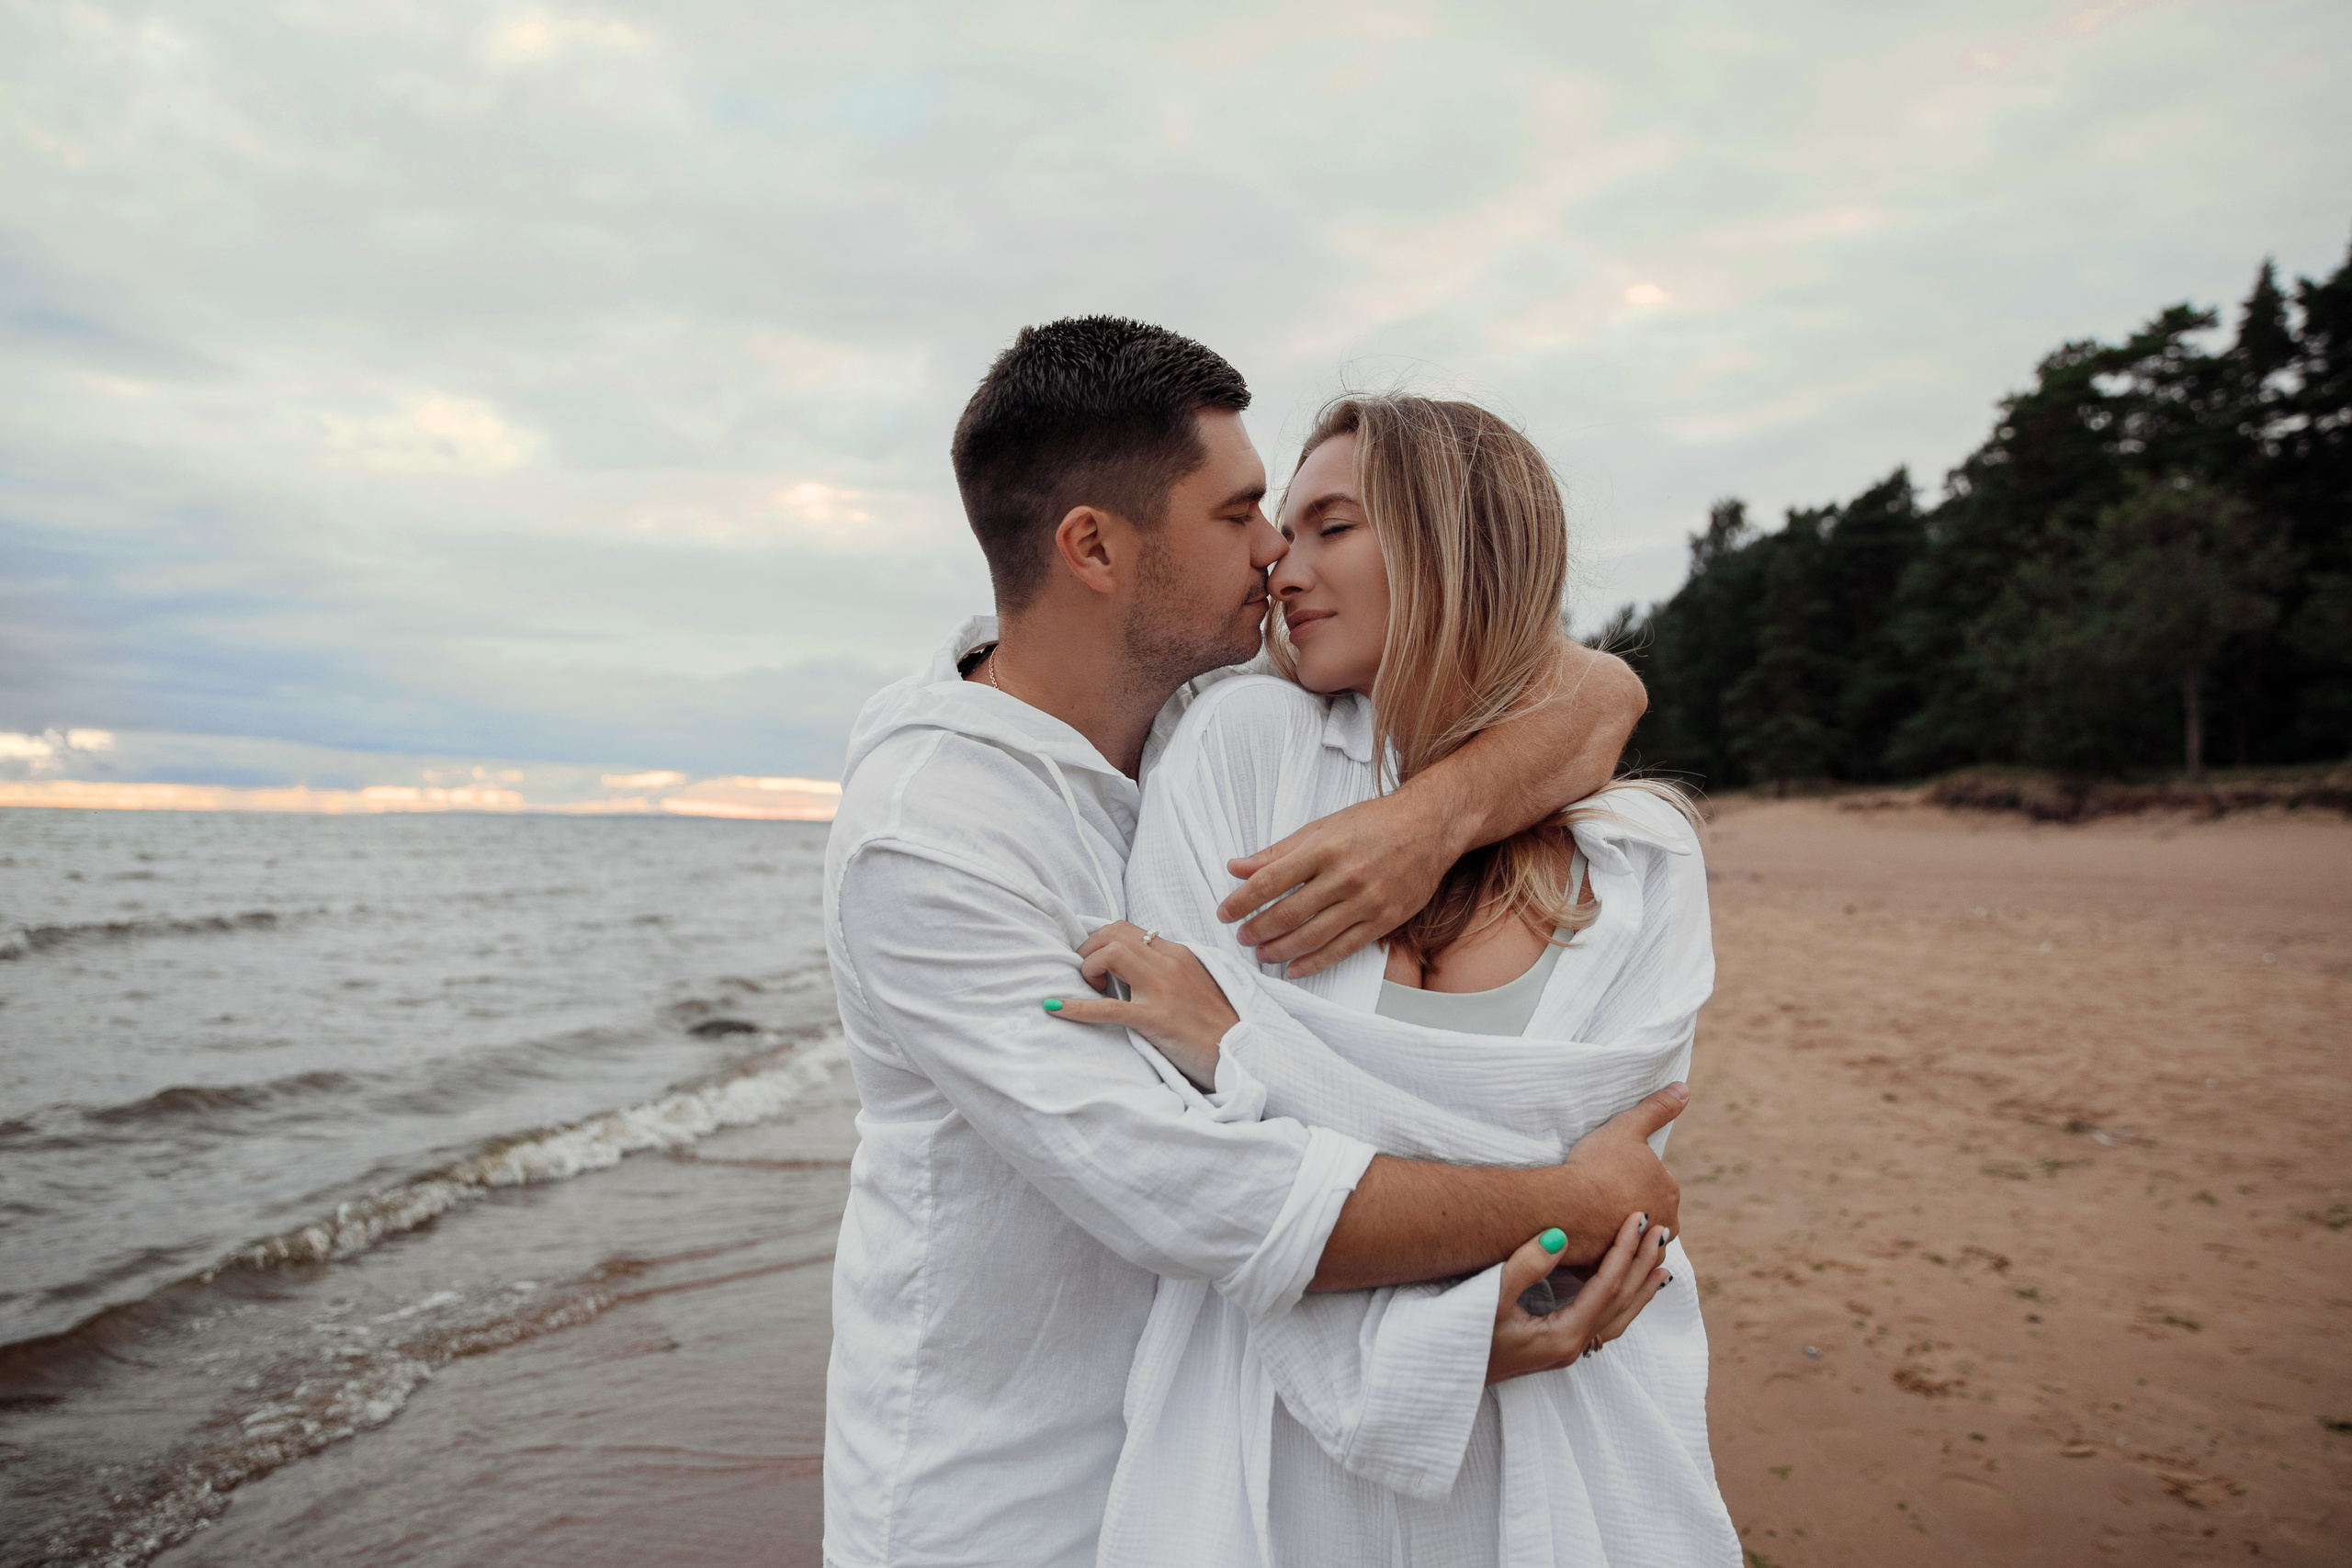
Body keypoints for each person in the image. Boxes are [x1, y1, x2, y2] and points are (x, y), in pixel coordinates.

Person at [820, 319, 1686, 1568]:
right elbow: (1200, 1190)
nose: (1276, 550)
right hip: (997, 1497)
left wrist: (1428, 820)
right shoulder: (930, 836)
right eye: (1240, 516)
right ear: (1094, 548)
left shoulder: (1201, 713)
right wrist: (1577, 1203)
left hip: (1214, 1448)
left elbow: (1595, 688)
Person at [1057, 394, 1740, 1565]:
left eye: (1332, 528)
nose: (1281, 566)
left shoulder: (1639, 856)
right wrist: (1539, 1201)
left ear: (1456, 546)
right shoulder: (1242, 749)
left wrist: (1245, 1053)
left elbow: (1613, 1205)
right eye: (1283, 532)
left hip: (1559, 1421)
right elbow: (1202, 1166)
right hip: (1261, 1440)